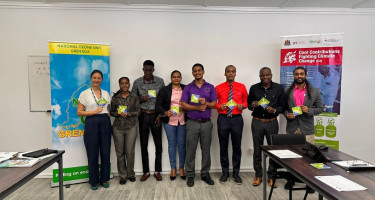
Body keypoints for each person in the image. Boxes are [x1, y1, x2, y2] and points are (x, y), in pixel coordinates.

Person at [284, 66, 324, 190]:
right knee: (291, 156)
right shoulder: (288, 91)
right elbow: (284, 108)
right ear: (294, 76)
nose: (299, 76)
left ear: (305, 75)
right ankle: (291, 179)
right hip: (292, 127)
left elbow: (321, 108)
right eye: (297, 74)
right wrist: (287, 115)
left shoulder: (315, 91)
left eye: (301, 74)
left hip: (307, 128)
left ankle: (309, 182)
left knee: (309, 156)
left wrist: (309, 110)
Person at [247, 67, 286, 188]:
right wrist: (252, 104)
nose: (264, 77)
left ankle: (271, 176)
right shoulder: (254, 88)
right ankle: (258, 175)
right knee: (257, 150)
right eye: (262, 76)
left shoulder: (279, 88)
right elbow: (248, 105)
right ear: (259, 76)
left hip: (272, 122)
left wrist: (274, 110)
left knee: (273, 151)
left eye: (267, 75)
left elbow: (283, 106)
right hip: (257, 122)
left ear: (271, 75)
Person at [181, 63, 217, 187]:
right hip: (192, 123)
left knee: (206, 150)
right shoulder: (188, 88)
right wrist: (197, 107)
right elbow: (183, 104)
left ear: (203, 72)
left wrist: (205, 103)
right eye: (195, 71)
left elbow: (215, 104)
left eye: (199, 70)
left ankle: (205, 174)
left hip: (207, 124)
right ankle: (190, 175)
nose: (197, 72)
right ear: (192, 73)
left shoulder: (210, 87)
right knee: (190, 150)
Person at [77, 70, 111, 190]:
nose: (97, 80)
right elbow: (79, 112)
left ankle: (105, 178)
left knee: (106, 151)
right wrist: (93, 112)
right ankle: (94, 181)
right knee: (92, 152)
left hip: (105, 122)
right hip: (91, 121)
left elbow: (107, 109)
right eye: (95, 78)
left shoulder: (106, 93)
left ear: (102, 79)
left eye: (99, 78)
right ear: (91, 79)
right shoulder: (84, 93)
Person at [131, 60, 165, 181]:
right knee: (143, 144)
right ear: (143, 69)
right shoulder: (137, 82)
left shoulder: (160, 82)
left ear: (153, 70)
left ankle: (157, 171)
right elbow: (132, 101)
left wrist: (160, 115)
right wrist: (141, 99)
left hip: (156, 115)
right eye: (146, 70)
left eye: (150, 70)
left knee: (158, 145)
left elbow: (163, 101)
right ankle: (146, 171)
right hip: (143, 115)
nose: (148, 72)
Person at [215, 65, 248, 184]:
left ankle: (236, 173)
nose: (230, 73)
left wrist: (242, 106)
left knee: (237, 147)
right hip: (223, 118)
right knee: (223, 147)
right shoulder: (218, 88)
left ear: (235, 73)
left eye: (233, 71)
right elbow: (214, 103)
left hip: (237, 119)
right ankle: (225, 173)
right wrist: (219, 106)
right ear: (225, 74)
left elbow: (246, 102)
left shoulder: (242, 87)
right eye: (228, 72)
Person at [156, 70, 186, 180]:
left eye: (178, 76)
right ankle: (173, 168)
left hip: (182, 120)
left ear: (181, 78)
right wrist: (165, 112)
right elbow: (158, 105)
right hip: (169, 121)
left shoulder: (186, 88)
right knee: (172, 144)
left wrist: (186, 107)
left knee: (182, 145)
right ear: (171, 78)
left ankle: (181, 168)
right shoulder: (164, 90)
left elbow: (192, 102)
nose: (176, 78)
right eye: (174, 77)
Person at [110, 77, 140, 185]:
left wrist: (129, 114)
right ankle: (122, 176)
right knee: (120, 153)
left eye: (126, 83)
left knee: (130, 152)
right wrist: (117, 113)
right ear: (119, 85)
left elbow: (138, 112)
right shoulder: (115, 97)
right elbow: (112, 112)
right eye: (122, 83)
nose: (124, 85)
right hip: (118, 128)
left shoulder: (134, 97)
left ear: (129, 84)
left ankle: (130, 174)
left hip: (131, 127)